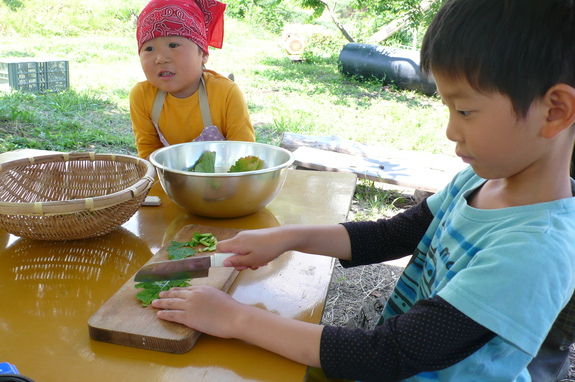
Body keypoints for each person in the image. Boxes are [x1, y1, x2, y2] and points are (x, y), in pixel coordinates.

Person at [151, 0, 575, 380]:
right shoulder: (480, 179)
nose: (450, 130)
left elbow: (389, 353)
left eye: (465, 110)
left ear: (554, 111)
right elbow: (391, 235)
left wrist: (235, 319)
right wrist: (287, 237)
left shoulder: (533, 251)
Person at [130, 0, 255, 159]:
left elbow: (245, 155)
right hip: (168, 182)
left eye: (173, 45)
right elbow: (149, 155)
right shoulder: (141, 96)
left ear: (203, 54)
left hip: (224, 180)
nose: (160, 59)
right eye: (149, 49)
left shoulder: (226, 94)